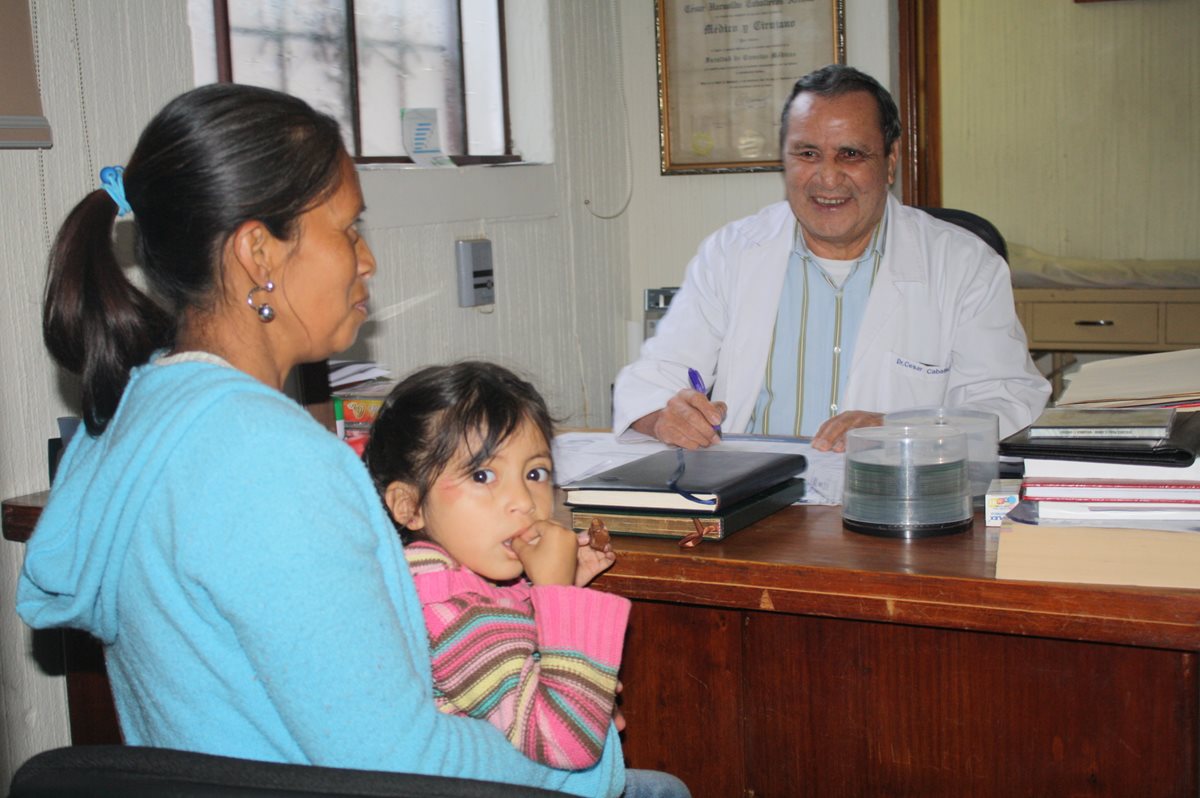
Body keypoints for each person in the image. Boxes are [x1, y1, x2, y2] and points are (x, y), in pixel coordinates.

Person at [15, 83, 658, 798]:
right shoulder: (271, 460)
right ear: (259, 252)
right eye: (348, 229)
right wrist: (592, 758)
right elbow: (398, 761)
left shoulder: (132, 420)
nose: (367, 260)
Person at [613, 64, 1050, 452]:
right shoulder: (731, 253)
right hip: (757, 502)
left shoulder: (964, 263)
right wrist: (666, 417)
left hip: (895, 500)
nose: (827, 177)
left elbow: (1006, 398)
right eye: (807, 154)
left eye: (851, 154)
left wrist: (902, 429)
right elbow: (657, 377)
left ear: (891, 161)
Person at [362, 362, 687, 797]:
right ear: (408, 505)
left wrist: (546, 587)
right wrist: (560, 593)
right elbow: (568, 743)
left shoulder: (451, 579)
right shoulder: (448, 614)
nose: (523, 501)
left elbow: (508, 645)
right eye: (483, 475)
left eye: (535, 474)